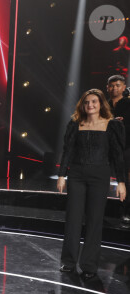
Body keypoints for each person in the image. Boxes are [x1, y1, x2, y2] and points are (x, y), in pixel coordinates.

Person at [57, 89, 126, 280]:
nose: (90, 105)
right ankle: (68, 262)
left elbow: (118, 156)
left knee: (95, 221)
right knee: (73, 218)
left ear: (101, 103)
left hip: (99, 176)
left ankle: (89, 265)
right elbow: (68, 152)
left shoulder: (112, 125)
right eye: (87, 102)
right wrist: (62, 175)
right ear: (82, 104)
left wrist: (121, 182)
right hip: (77, 175)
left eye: (94, 102)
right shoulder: (75, 124)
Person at [106, 74, 130, 223]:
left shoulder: (128, 103)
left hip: (126, 146)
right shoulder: (103, 104)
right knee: (102, 178)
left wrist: (118, 124)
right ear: (107, 88)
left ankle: (125, 211)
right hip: (106, 146)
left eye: (118, 85)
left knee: (126, 180)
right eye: (112, 85)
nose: (115, 88)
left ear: (123, 87)